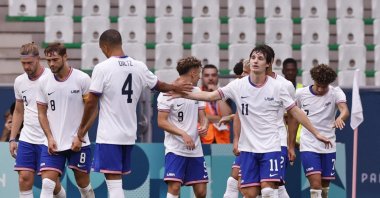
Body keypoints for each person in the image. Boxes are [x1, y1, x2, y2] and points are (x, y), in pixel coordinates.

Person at [170, 45, 332, 198]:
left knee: (269, 190)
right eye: (253, 57)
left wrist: (316, 132)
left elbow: (295, 112)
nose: (255, 60)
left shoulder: (279, 87)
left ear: (268, 63)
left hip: (271, 147)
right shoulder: (238, 85)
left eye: (260, 58)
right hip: (248, 149)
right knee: (249, 193)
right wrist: (183, 93)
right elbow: (209, 96)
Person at [72, 29, 193, 198]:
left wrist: (80, 132)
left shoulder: (102, 68)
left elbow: (91, 102)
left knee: (113, 182)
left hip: (110, 135)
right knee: (117, 180)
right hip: (129, 134)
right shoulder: (139, 66)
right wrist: (175, 87)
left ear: (105, 47)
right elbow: (159, 85)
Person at [36, 43, 95, 198]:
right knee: (48, 184)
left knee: (84, 187)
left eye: (55, 59)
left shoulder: (82, 79)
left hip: (79, 142)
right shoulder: (43, 82)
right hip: (53, 142)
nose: (51, 64)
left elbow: (93, 110)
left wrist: (80, 136)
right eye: (48, 60)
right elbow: (41, 113)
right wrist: (49, 137)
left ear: (65, 57)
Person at [9, 43, 66, 198]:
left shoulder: (52, 77)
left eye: (30, 63)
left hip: (48, 137)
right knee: (24, 178)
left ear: (38, 59)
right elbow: (19, 110)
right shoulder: (19, 81)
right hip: (28, 137)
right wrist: (13, 138)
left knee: (50, 184)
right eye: (23, 63)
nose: (26, 67)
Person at [157, 56, 209, 198]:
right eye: (198, 73)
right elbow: (161, 121)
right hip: (175, 149)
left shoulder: (197, 91)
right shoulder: (167, 93)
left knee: (201, 192)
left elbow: (203, 117)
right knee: (174, 188)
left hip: (195, 150)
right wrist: (183, 134)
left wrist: (204, 125)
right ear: (193, 73)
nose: (199, 77)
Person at [295, 64, 349, 198]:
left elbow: (345, 110)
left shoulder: (336, 92)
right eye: (317, 85)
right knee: (315, 185)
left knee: (324, 188)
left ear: (329, 84)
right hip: (308, 144)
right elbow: (293, 117)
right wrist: (290, 145)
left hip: (328, 145)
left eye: (323, 87)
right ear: (313, 80)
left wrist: (340, 118)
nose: (320, 89)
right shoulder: (300, 94)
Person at [223, 59, 250, 198]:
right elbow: (243, 113)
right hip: (247, 143)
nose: (241, 78)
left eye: (244, 73)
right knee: (234, 182)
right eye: (240, 75)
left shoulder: (267, 88)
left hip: (262, 144)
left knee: (271, 189)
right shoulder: (242, 89)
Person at [200, 64, 232, 144]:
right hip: (203, 139)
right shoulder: (197, 94)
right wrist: (220, 118)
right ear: (202, 78)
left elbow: (227, 116)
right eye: (207, 75)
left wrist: (217, 94)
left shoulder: (225, 94)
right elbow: (200, 117)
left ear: (217, 77)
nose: (210, 78)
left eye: (213, 75)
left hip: (222, 140)